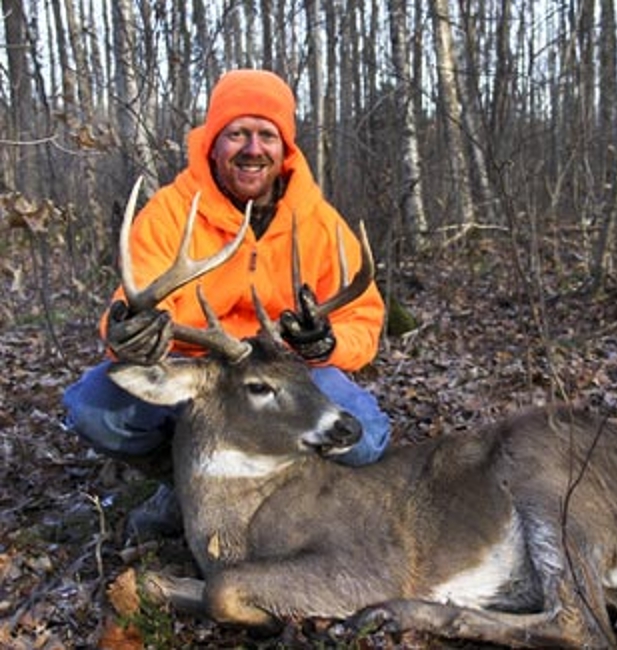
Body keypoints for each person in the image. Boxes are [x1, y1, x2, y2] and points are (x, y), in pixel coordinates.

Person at [63, 69, 390, 540]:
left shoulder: (320, 223)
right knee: (94, 409)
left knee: (366, 441)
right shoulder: (172, 212)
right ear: (213, 143)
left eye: (266, 135)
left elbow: (363, 320)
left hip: (286, 372)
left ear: (285, 148)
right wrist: (128, 332)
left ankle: (285, 493)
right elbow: (130, 306)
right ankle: (182, 486)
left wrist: (326, 343)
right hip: (201, 371)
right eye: (237, 134)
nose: (252, 149)